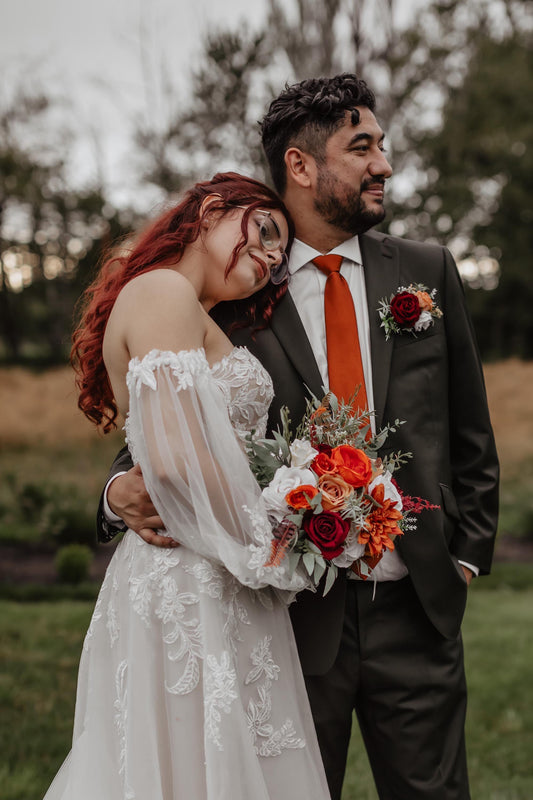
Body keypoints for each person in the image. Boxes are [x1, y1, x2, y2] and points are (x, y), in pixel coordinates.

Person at [101, 75, 499, 800]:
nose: (383, 165)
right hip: (287, 617)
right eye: (362, 147)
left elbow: (467, 423)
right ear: (301, 165)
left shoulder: (425, 270)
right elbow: (169, 421)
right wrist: (114, 491)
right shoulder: (237, 283)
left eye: (382, 146)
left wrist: (465, 556)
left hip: (417, 603)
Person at [44, 172, 332, 800]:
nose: (271, 259)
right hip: (192, 575)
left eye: (280, 257)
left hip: (218, 565)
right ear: (211, 210)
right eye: (265, 233)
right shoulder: (163, 291)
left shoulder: (189, 307)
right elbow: (176, 462)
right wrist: (274, 547)